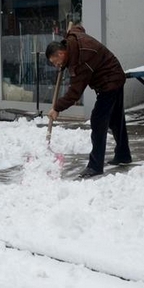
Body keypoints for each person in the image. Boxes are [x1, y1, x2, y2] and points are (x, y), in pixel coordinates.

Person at [46, 22, 132, 178]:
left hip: (110, 82)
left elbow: (75, 93)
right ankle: (123, 155)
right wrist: (70, 31)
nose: (55, 66)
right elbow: (78, 28)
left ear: (61, 54)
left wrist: (57, 108)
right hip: (115, 75)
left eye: (54, 61)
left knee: (98, 120)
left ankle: (95, 166)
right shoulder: (72, 40)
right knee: (115, 119)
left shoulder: (81, 60)